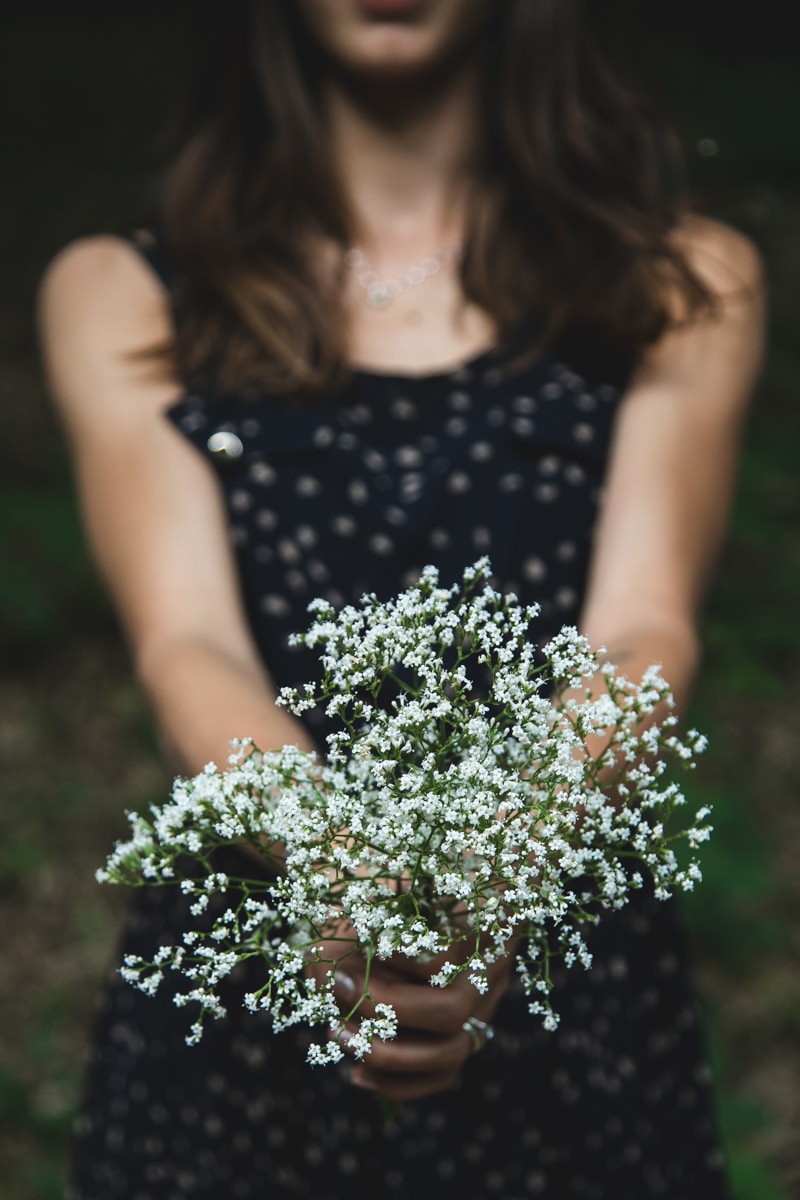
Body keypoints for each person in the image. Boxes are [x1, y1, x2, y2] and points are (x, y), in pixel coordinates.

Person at [39, 1, 765, 1196]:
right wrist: (345, 880)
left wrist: (496, 869)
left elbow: (644, 625)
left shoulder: (678, 279)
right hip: (258, 949)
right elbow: (186, 643)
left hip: (554, 950)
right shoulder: (125, 292)